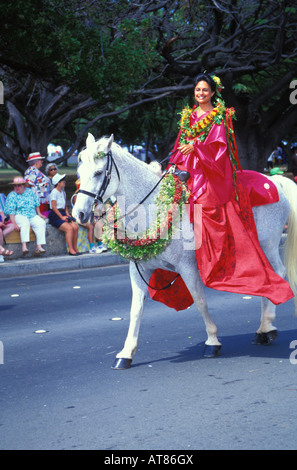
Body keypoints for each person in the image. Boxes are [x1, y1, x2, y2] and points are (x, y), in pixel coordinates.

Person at [148, 72, 294, 309]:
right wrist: (173, 163)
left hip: (210, 174)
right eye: (197, 90)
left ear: (213, 93)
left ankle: (217, 257)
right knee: (165, 197)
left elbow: (219, 150)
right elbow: (178, 146)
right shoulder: (189, 116)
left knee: (204, 203)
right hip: (187, 169)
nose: (201, 94)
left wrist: (195, 148)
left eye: (205, 90)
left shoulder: (218, 118)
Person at [4, 177, 47, 255]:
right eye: (15, 186)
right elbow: (11, 212)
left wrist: (39, 213)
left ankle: (39, 246)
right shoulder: (12, 195)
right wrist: (14, 223)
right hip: (19, 215)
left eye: (19, 185)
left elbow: (36, 203)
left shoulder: (30, 192)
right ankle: (24, 246)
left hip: (32, 214)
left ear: (24, 185)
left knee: (41, 223)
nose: (17, 187)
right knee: (25, 223)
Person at [71, 179, 107, 254]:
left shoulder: (86, 196)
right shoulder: (76, 196)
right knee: (90, 226)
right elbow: (80, 211)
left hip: (88, 216)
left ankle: (100, 243)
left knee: (98, 224)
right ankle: (92, 247)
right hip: (79, 217)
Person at [49, 173, 79, 256]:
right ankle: (71, 249)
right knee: (69, 228)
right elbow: (54, 207)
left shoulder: (63, 192)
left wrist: (67, 214)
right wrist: (61, 217)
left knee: (75, 227)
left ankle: (75, 247)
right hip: (56, 214)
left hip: (62, 212)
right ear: (58, 183)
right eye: (63, 181)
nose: (64, 182)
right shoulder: (54, 193)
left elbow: (65, 205)